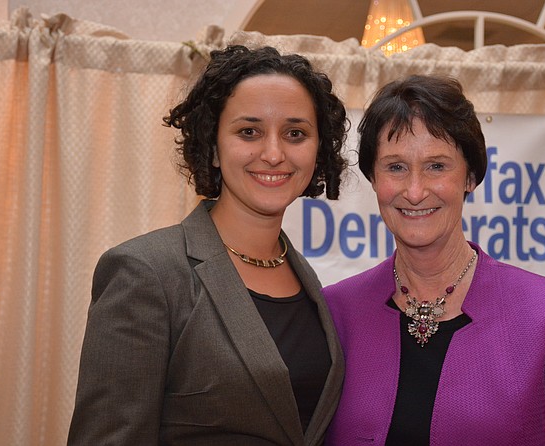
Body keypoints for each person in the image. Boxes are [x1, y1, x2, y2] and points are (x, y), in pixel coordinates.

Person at [67, 44, 348, 446]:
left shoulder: (309, 281)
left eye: (295, 134)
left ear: (317, 150)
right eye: (248, 131)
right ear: (213, 147)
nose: (273, 153)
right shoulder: (146, 272)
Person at [322, 74, 545, 445]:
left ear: (470, 176)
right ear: (374, 179)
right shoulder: (336, 312)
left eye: (437, 166)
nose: (414, 191)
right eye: (395, 167)